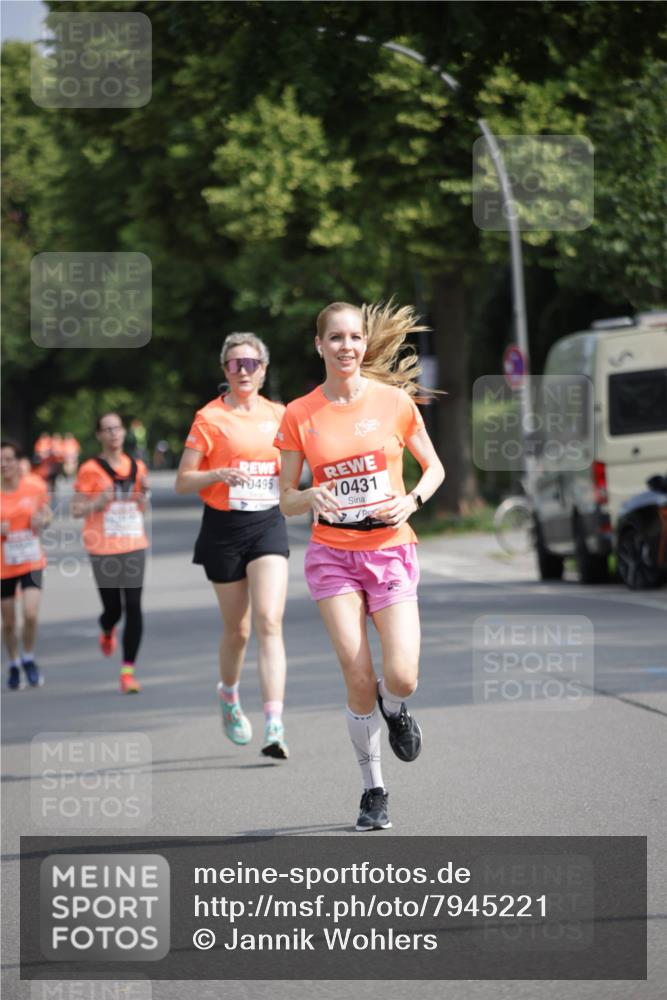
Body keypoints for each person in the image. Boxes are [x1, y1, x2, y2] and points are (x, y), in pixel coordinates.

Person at [276, 301, 445, 831]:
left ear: (363, 345)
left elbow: (434, 467)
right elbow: (284, 498)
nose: (346, 346)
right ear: (319, 345)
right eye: (335, 337)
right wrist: (310, 496)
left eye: (354, 337)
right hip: (333, 556)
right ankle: (374, 790)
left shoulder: (395, 403)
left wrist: (413, 499)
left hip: (391, 548)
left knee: (402, 675)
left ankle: (394, 710)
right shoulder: (300, 414)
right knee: (357, 675)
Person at [175, 333, 290, 759]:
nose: (244, 371)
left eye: (251, 363)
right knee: (238, 631)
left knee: (269, 621)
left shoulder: (281, 414)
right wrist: (217, 473)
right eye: (235, 364)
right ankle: (228, 695)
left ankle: (274, 724)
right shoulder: (209, 418)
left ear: (264, 369)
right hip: (223, 529)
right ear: (225, 370)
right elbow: (183, 480)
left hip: (266, 525)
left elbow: (297, 469)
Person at [71, 414, 150, 694]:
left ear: (124, 431)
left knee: (134, 606)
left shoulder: (137, 466)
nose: (113, 433)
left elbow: (142, 503)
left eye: (117, 428)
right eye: (107, 429)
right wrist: (99, 501)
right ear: (99, 436)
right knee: (113, 609)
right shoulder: (90, 469)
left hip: (133, 544)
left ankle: (127, 672)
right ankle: (106, 629)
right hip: (102, 547)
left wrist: (142, 501)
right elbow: (75, 509)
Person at [1, 440, 52, 689]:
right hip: (3, 566)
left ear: (18, 461)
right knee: (9, 622)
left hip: (31, 559)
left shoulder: (33, 486)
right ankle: (13, 662)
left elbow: (48, 514)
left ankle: (29, 657)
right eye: (0, 460)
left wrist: (42, 519)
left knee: (30, 614)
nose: (4, 464)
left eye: (8, 459)